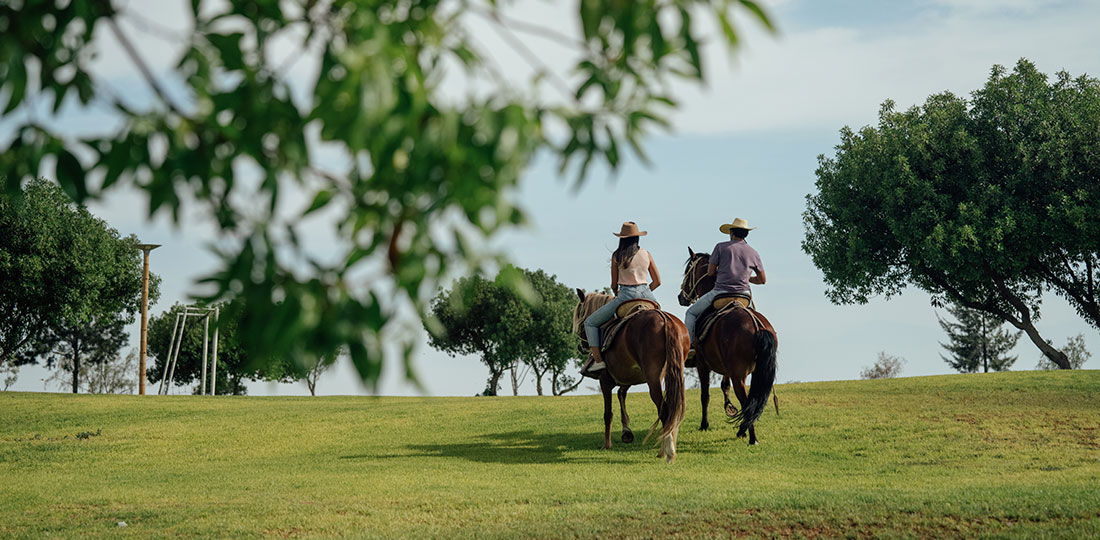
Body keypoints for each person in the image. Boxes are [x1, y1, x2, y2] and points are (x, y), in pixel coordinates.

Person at [580, 221, 662, 378]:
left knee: (590, 322)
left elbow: (613, 284)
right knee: (663, 320)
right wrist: (644, 293)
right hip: (647, 295)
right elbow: (658, 281)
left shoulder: (617, 256)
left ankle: (598, 361)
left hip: (625, 295)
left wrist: (618, 291)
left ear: (622, 238)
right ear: (637, 238)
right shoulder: (646, 254)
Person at [685, 217, 766, 360]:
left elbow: (710, 272)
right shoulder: (753, 252)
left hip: (720, 293)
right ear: (745, 234)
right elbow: (762, 280)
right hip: (744, 296)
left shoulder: (721, 247)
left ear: (732, 233)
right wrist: (747, 278)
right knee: (757, 321)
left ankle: (689, 347)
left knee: (690, 313)